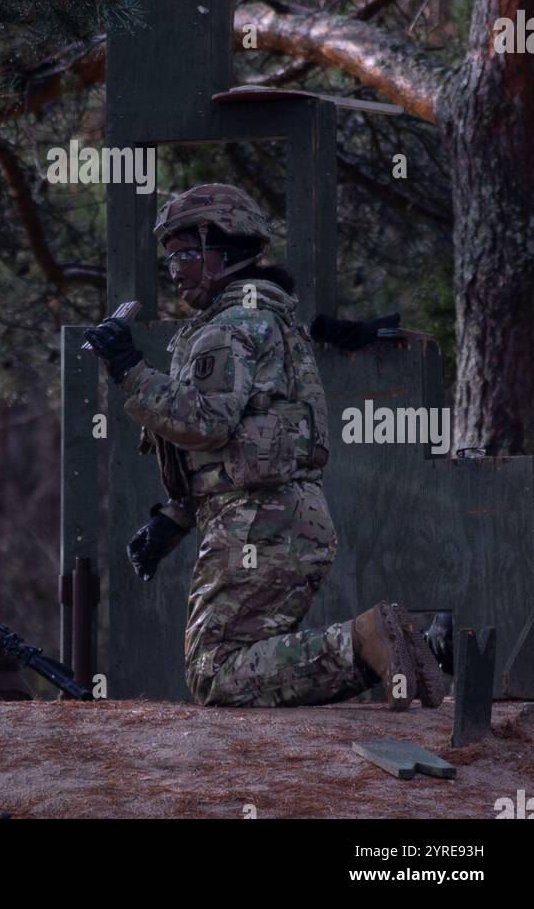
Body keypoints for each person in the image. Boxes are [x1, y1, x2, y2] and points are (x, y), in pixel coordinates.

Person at [84, 183, 445, 710]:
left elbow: (205, 421)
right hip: (286, 522)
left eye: (186, 253)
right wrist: (176, 519)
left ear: (224, 249)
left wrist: (129, 370)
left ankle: (364, 643)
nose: (175, 268)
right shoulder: (268, 319)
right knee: (249, 661)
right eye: (170, 257)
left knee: (218, 671)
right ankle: (409, 649)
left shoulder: (228, 327)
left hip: (259, 523)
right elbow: (249, 439)